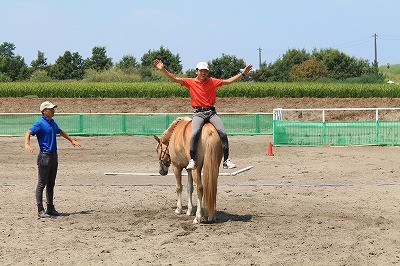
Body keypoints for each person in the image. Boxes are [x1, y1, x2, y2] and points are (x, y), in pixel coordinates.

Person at [154, 59, 252, 170]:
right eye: (201, 71)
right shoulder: (190, 82)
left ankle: (226, 160)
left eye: (205, 71)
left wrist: (242, 73)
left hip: (211, 113)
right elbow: (174, 78)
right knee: (194, 133)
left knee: (223, 133)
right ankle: (192, 160)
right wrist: (163, 70)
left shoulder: (212, 82)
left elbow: (228, 81)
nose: (203, 73)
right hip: (198, 113)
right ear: (196, 71)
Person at [25, 101, 81, 218]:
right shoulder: (40, 123)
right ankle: (40, 209)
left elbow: (60, 131)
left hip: (53, 156)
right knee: (42, 183)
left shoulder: (52, 123)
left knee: (51, 183)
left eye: (53, 108)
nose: (53, 110)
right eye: (51, 109)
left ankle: (50, 208)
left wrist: (71, 140)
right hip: (44, 156)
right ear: (44, 111)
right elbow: (29, 132)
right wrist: (27, 144)